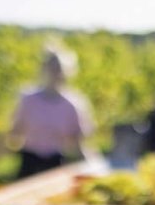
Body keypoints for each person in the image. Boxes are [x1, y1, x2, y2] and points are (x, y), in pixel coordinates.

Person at [6, 46, 97, 178]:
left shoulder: (73, 104)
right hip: (29, 163)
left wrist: (93, 166)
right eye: (53, 68)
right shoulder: (28, 99)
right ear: (44, 68)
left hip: (56, 164)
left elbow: (79, 144)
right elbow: (14, 134)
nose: (56, 73)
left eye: (59, 69)